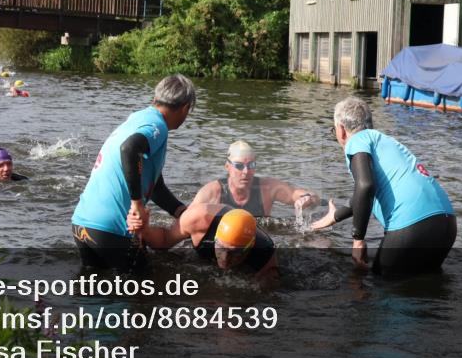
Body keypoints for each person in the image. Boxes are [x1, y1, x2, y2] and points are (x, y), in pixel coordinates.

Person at [311, 97, 456, 278]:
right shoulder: (386, 142)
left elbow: (365, 186)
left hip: (412, 223)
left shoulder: (356, 141)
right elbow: (364, 194)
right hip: (446, 222)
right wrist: (335, 216)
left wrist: (358, 240)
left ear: (341, 130)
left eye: (334, 130)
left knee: (382, 288)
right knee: (426, 287)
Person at [71, 74, 196, 271]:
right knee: (142, 294)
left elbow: (155, 187)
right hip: (112, 229)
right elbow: (129, 149)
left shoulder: (139, 118)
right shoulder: (158, 126)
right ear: (185, 107)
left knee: (92, 291)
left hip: (82, 224)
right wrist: (137, 204)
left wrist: (181, 211)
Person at [141, 205, 277, 283]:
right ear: (215, 237)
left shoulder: (264, 253)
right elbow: (164, 240)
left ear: (249, 248)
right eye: (221, 248)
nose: (224, 258)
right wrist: (144, 230)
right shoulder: (198, 220)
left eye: (234, 252)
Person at [191, 140, 320, 217]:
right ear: (227, 167)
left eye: (251, 165)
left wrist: (307, 198)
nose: (246, 171)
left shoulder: (267, 189)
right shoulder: (212, 192)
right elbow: (185, 220)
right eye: (239, 166)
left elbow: (300, 194)